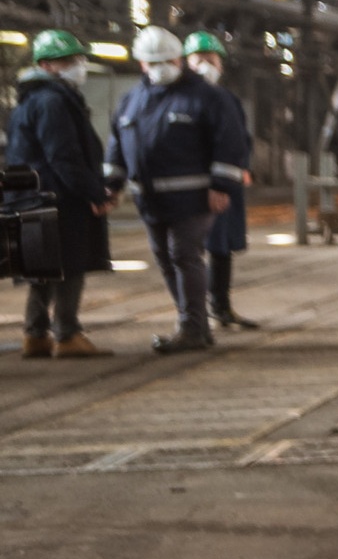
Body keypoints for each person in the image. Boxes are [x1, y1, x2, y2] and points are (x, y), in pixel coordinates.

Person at [107, 26, 248, 354]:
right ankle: (194, 322)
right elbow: (118, 144)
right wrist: (110, 185)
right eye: (153, 61)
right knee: (165, 259)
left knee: (184, 255)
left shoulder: (206, 96)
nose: (161, 66)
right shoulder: (132, 100)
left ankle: (192, 327)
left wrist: (221, 185)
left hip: (193, 196)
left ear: (179, 59)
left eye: (168, 59)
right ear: (142, 64)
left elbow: (230, 142)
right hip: (150, 199)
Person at [7, 30, 116, 358]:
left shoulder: (29, 100)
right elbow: (64, 157)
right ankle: (67, 334)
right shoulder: (53, 101)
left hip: (30, 196)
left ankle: (35, 334)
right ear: (46, 65)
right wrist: (94, 193)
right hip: (58, 198)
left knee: (41, 267)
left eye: (79, 59)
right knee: (69, 264)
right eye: (69, 60)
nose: (79, 65)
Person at [181, 31, 258, 329]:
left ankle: (221, 307)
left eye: (211, 59)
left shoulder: (228, 100)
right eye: (199, 59)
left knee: (221, 247)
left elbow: (240, 139)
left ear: (221, 65)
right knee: (187, 252)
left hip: (222, 184)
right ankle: (193, 314)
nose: (205, 65)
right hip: (190, 184)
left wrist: (241, 168)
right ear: (186, 63)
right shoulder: (179, 98)